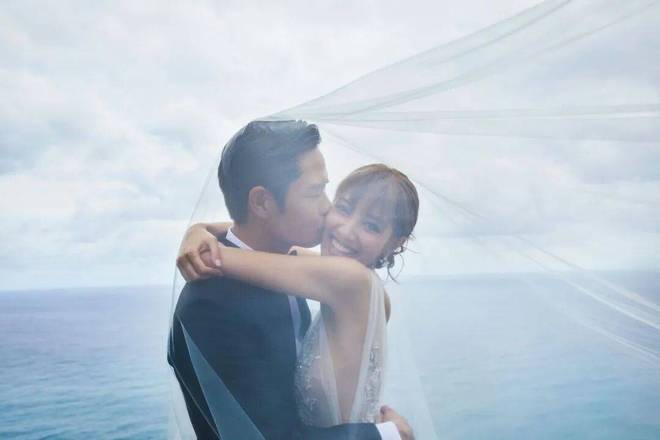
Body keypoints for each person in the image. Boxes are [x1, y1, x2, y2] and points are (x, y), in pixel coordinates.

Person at [168, 120, 413, 440]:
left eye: (326, 189)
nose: (328, 209)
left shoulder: (299, 272)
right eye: (315, 192)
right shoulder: (211, 305)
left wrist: (199, 232)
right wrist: (387, 435)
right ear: (262, 203)